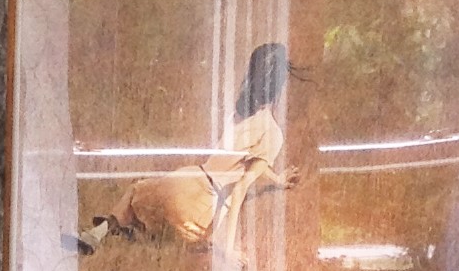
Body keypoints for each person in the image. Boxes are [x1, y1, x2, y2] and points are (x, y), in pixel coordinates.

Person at [70, 42, 296, 257]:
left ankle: (99, 232)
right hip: (203, 205)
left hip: (186, 179)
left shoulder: (237, 113)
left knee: (137, 191)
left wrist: (276, 179)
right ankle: (136, 230)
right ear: (279, 89)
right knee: (178, 235)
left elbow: (242, 159)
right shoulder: (272, 133)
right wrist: (227, 249)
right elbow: (240, 189)